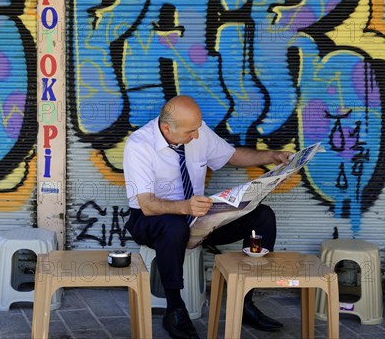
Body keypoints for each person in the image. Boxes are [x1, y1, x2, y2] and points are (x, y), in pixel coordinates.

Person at [123, 95, 291, 339]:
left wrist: (272, 157)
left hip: (197, 215)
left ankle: (245, 302)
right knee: (174, 227)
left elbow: (231, 156)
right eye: (191, 132)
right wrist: (185, 207)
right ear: (167, 128)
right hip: (151, 219)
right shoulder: (139, 144)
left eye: (197, 129)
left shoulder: (196, 131)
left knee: (262, 216)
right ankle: (175, 309)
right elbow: (147, 205)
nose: (197, 136)